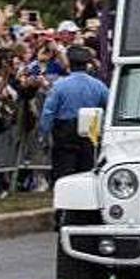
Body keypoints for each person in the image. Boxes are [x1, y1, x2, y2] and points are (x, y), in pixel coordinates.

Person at [38, 46, 107, 182]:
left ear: (69, 63)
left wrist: (44, 133)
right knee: (88, 169)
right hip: (90, 130)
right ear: (87, 64)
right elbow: (109, 105)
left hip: (65, 130)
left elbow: (49, 111)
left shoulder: (59, 85)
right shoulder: (98, 85)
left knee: (64, 170)